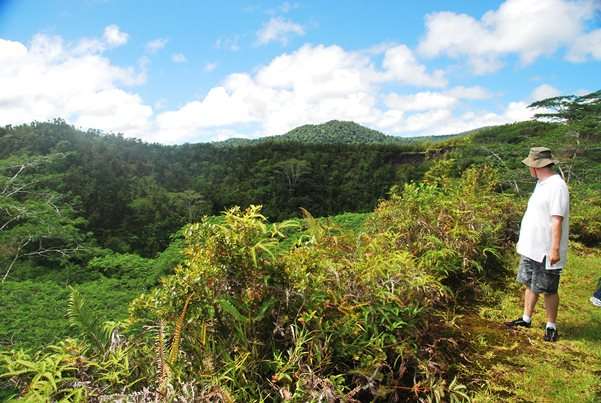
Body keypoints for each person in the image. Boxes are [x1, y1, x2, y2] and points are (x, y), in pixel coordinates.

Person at [505, 147, 569, 342]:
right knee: (530, 282)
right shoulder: (541, 183)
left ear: (536, 166)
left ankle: (551, 325)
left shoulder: (557, 186)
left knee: (549, 287)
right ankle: (526, 317)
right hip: (532, 247)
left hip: (546, 249)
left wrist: (555, 249)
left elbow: (557, 219)